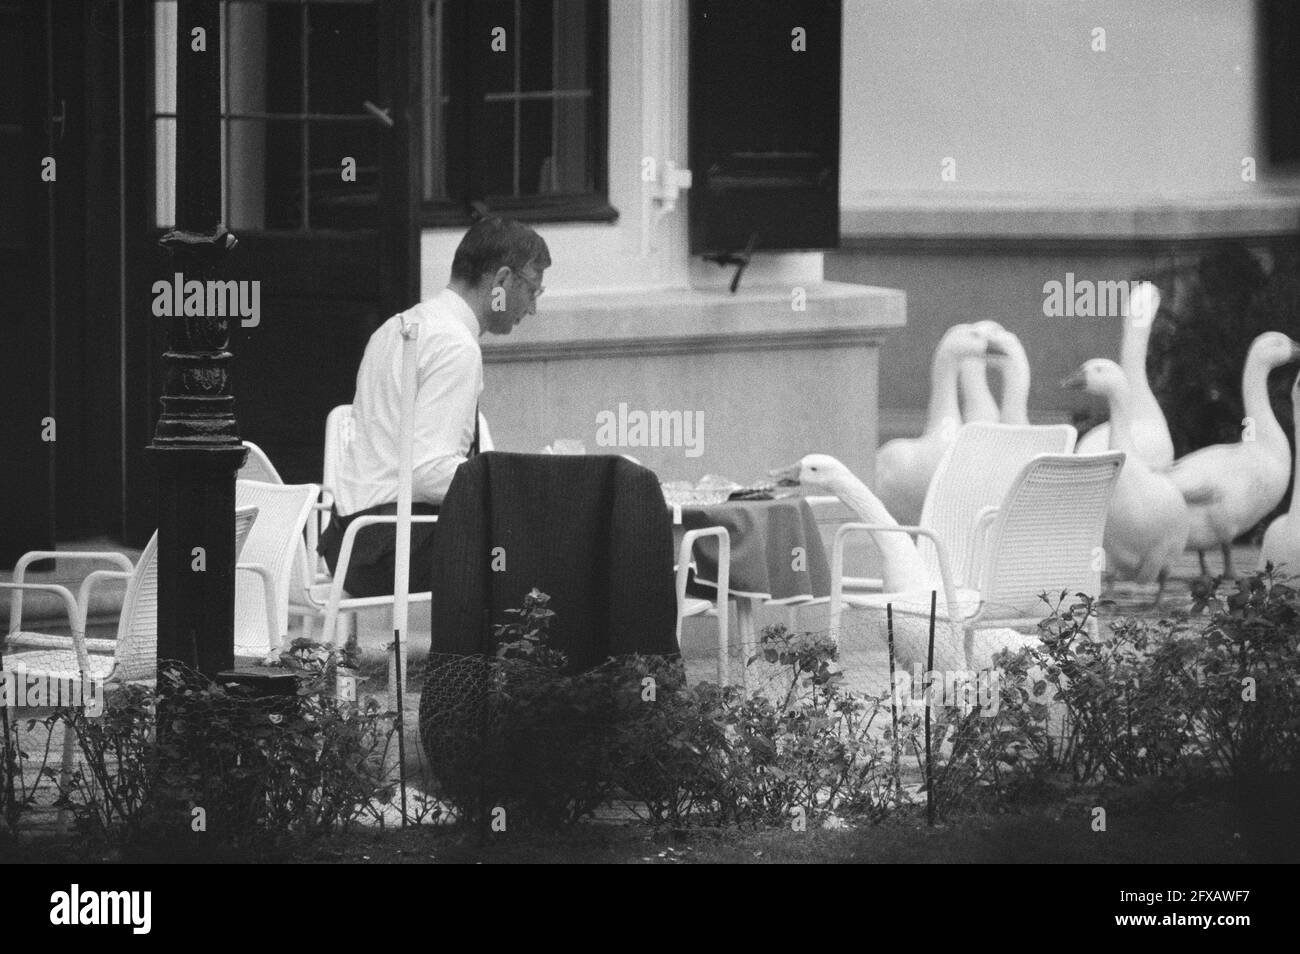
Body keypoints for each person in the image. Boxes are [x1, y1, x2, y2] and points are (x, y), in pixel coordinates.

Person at [319, 217, 550, 597]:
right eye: (532, 290)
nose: (532, 309)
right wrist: (513, 481)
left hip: (349, 546)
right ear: (503, 281)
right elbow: (427, 471)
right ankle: (507, 654)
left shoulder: (396, 326)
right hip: (393, 546)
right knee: (552, 532)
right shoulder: (455, 345)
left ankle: (487, 650)